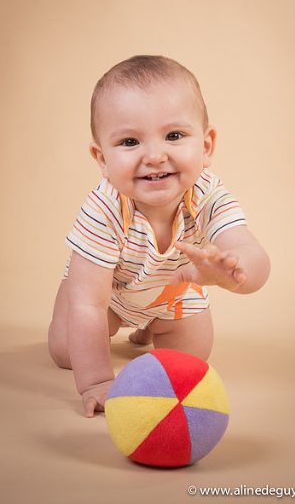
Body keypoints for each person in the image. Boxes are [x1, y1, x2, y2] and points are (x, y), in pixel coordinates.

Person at [48, 56, 269, 419]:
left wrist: (234, 272)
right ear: (102, 159)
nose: (154, 156)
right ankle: (86, 306)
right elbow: (88, 305)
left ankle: (152, 325)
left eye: (174, 136)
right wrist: (97, 382)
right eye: (130, 141)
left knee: (191, 358)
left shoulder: (208, 195)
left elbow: (249, 251)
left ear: (206, 146)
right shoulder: (105, 208)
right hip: (108, 296)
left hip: (173, 293)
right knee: (65, 350)